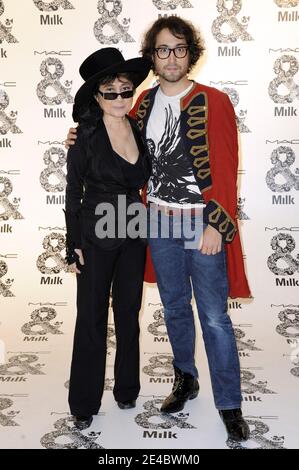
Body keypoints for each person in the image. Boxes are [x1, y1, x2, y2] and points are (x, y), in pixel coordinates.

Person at [66, 16, 251, 442]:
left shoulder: (214, 101)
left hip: (199, 224)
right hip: (157, 223)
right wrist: (79, 137)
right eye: (163, 49)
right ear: (152, 56)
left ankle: (230, 402)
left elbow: (225, 166)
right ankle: (185, 379)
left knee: (215, 317)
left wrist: (215, 224)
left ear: (191, 54)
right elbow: (112, 134)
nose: (171, 57)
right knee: (174, 309)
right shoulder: (142, 103)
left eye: (179, 48)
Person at [64, 47, 151, 430]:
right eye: (110, 92)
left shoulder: (138, 127)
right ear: (97, 96)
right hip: (96, 233)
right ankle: (84, 402)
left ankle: (127, 391)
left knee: (128, 314)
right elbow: (72, 190)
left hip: (133, 229)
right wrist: (72, 243)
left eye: (125, 90)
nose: (119, 99)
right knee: (92, 318)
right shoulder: (84, 134)